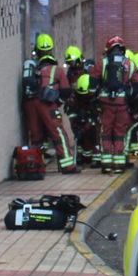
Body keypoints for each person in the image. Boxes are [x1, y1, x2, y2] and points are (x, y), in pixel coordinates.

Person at [22, 33, 78, 174]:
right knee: (58, 134)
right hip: (47, 105)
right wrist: (58, 101)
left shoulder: (33, 68)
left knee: (36, 137)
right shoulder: (57, 70)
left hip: (30, 104)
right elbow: (65, 91)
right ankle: (68, 166)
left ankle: (35, 167)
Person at [97, 36, 133, 172]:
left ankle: (106, 165)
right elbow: (136, 84)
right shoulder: (130, 63)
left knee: (106, 133)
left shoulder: (103, 63)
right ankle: (119, 165)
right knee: (119, 133)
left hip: (106, 104)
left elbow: (93, 82)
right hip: (123, 104)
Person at [69, 72, 100, 167]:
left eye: (86, 95)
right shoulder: (76, 97)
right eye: (81, 95)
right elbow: (72, 112)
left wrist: (87, 125)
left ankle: (98, 158)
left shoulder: (96, 96)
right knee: (81, 137)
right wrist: (76, 126)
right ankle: (84, 156)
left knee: (96, 134)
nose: (84, 97)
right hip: (82, 119)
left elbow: (96, 115)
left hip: (94, 121)